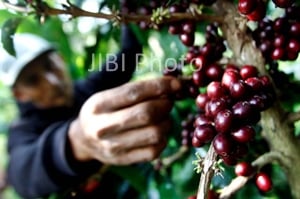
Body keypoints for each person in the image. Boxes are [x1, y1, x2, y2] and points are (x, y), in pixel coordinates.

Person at [0, 25, 181, 199]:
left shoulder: (88, 90)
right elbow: (22, 174)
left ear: (60, 58)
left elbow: (127, 55)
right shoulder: (23, 130)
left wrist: (130, 16)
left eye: (49, 65)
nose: (52, 81)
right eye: (33, 80)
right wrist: (77, 141)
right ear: (20, 94)